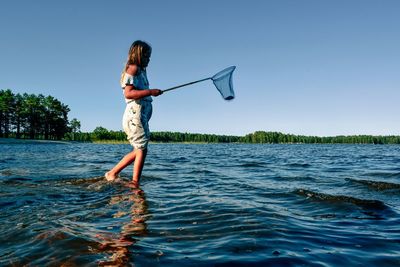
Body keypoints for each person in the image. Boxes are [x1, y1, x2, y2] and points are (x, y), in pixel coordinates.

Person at [105, 40, 162, 187]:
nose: (148, 60)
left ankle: (113, 174)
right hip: (134, 116)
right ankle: (134, 182)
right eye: (146, 56)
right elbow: (128, 93)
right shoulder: (133, 69)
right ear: (137, 55)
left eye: (149, 57)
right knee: (141, 149)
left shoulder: (142, 71)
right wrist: (150, 92)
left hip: (140, 117)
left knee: (140, 149)